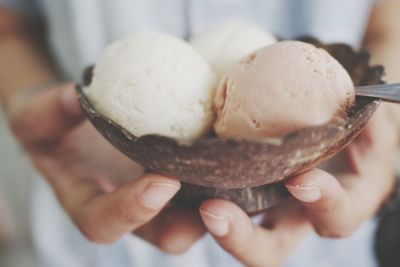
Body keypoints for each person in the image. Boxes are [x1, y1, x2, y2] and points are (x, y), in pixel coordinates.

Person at [0, 0, 399, 266]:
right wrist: (32, 101)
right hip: (91, 223)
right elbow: (9, 25)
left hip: (322, 235)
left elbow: (389, 18)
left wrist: (385, 135)